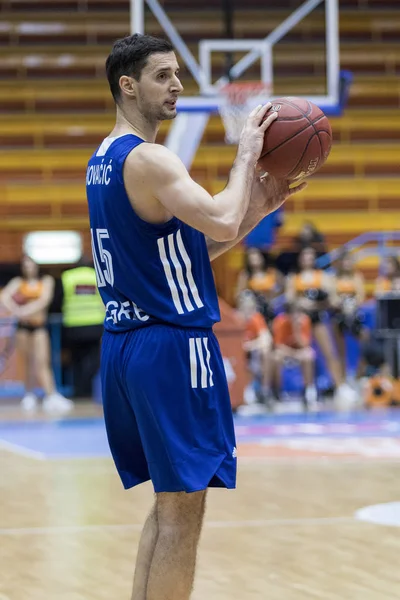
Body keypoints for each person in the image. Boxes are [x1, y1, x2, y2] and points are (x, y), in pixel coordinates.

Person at [86, 33, 306, 600]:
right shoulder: (150, 157)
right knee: (183, 514)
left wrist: (260, 204)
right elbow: (222, 223)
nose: (178, 85)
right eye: (163, 75)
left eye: (178, 73)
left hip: (128, 346)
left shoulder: (102, 161)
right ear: (127, 85)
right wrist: (248, 156)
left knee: (169, 507)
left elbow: (183, 254)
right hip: (171, 347)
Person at [0, 255, 73, 413]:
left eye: (31, 264)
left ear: (36, 266)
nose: (28, 268)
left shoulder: (46, 281)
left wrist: (25, 310)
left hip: (39, 327)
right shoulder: (18, 282)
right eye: (25, 265)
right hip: (22, 328)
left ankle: (51, 395)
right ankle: (29, 394)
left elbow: (44, 300)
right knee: (26, 362)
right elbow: (4, 297)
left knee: (42, 361)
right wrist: (15, 310)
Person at [285, 246, 354, 405]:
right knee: (305, 353)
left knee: (329, 352)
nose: (307, 259)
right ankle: (309, 389)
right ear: (300, 259)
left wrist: (319, 302)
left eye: (310, 256)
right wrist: (302, 303)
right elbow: (290, 299)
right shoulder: (294, 277)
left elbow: (333, 299)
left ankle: (340, 386)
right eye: (304, 256)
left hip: (318, 317)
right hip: (301, 320)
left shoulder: (322, 276)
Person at [61, 257, 104, 399]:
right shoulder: (96, 275)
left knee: (76, 359)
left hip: (73, 325)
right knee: (94, 359)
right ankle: (89, 390)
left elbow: (59, 300)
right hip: (95, 324)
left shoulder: (67, 276)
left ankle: (79, 390)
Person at [271, 303, 317, 410]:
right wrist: (293, 354)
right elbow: (278, 346)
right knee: (276, 356)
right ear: (288, 315)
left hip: (299, 352)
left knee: (308, 355)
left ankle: (308, 391)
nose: (296, 317)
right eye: (293, 314)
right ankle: (277, 391)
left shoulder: (305, 320)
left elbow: (305, 344)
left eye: (298, 314)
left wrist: (297, 330)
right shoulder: (280, 322)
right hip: (286, 353)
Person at [331, 250, 367, 380]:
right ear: (339, 263)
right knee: (340, 350)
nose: (346, 263)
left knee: (364, 343)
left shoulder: (357, 277)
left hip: (354, 316)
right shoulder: (334, 278)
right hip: (339, 316)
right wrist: (342, 304)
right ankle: (342, 378)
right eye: (344, 261)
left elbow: (361, 296)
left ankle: (359, 375)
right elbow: (332, 298)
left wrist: (351, 304)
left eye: (348, 260)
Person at [236, 290, 273, 413]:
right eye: (244, 304)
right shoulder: (234, 318)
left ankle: (264, 390)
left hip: (253, 352)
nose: (247, 307)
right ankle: (243, 391)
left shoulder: (256, 318)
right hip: (236, 355)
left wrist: (251, 345)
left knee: (266, 352)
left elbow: (266, 338)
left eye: (249, 304)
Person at [236, 247, 282, 323]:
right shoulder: (245, 275)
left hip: (272, 303)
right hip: (254, 304)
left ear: (262, 257)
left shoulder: (272, 272)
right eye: (251, 256)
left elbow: (283, 287)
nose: (254, 258)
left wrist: (274, 294)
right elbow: (238, 294)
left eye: (256, 255)